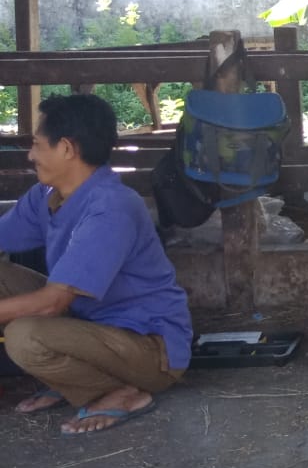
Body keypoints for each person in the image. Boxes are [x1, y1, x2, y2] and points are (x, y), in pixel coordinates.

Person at [1, 94, 192, 435]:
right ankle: (68, 378)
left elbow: (52, 304)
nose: (31, 155)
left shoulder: (111, 208)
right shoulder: (47, 196)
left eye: (37, 145)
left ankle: (119, 393)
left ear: (67, 149)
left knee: (24, 335)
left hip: (150, 350)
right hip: (88, 327)